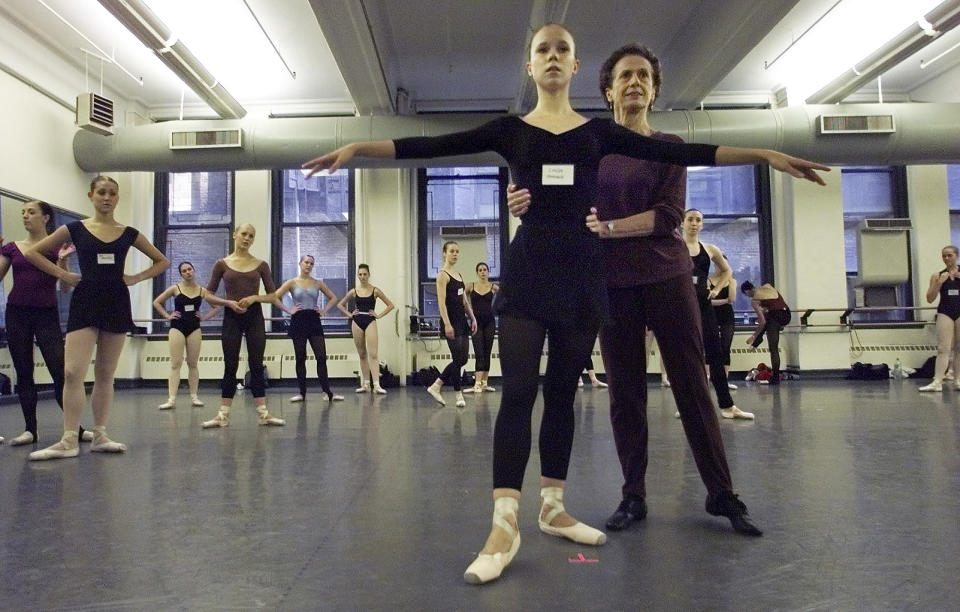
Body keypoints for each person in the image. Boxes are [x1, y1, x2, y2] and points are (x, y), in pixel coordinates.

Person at [304, 24, 826, 585]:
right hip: (531, 271)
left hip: (583, 274)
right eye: (542, 50)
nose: (552, 57)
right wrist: (360, 147)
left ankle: (552, 507)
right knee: (520, 389)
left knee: (560, 393)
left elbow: (692, 150)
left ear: (576, 67)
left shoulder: (598, 135)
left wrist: (766, 153)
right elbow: (430, 144)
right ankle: (504, 523)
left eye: (563, 50)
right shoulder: (511, 130)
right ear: (529, 66)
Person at [507, 42, 810, 538]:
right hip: (612, 285)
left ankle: (721, 493)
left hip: (666, 277)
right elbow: (546, 189)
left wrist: (606, 228)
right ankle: (633, 496)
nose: (635, 83)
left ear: (653, 90)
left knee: (693, 383)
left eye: (644, 76)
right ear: (608, 91)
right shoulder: (590, 146)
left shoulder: (666, 146)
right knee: (625, 393)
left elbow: (667, 218)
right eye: (625, 76)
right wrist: (518, 196)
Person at [25, 176, 169, 460]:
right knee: (72, 372)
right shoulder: (75, 229)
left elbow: (161, 261)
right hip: (85, 301)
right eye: (101, 192)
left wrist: (136, 278)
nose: (107, 197)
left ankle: (100, 433)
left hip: (116, 301)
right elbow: (33, 252)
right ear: (91, 196)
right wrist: (63, 274)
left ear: (117, 198)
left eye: (112, 193)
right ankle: (69, 438)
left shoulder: (128, 233)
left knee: (105, 373)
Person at [0, 200, 94, 447]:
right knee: (24, 371)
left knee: (59, 371)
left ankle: (75, 429)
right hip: (17, 314)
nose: (25, 216)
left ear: (45, 218)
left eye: (31, 212)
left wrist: (63, 262)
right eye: (23, 212)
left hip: (46, 315)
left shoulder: (56, 247)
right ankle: (30, 430)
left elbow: (65, 286)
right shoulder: (12, 248)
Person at [201, 223, 285, 428]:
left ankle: (263, 414)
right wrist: (227, 303)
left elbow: (273, 295)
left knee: (256, 364)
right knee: (231, 365)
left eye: (251, 236)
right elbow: (207, 294)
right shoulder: (222, 264)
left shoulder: (261, 265)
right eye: (244, 234)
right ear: (235, 235)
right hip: (232, 316)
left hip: (254, 316)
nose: (247, 238)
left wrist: (255, 297)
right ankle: (223, 415)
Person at [681, 209, 753, 419]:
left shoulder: (709, 248)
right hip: (683, 306)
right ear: (682, 223)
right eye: (690, 220)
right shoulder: (675, 247)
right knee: (687, 355)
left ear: (702, 224)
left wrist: (714, 288)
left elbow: (727, 271)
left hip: (703, 304)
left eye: (698, 220)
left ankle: (727, 405)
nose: (694, 224)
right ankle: (688, 404)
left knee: (715, 353)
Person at [152, 262, 237, 410]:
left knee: (193, 363)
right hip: (177, 328)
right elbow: (157, 302)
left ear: (194, 270)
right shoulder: (175, 289)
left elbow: (216, 307)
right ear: (181, 274)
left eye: (189, 269)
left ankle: (194, 396)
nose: (187, 272)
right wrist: (167, 316)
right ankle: (171, 399)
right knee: (176, 363)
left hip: (194, 328)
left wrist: (204, 317)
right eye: (184, 271)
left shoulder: (202, 290)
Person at [274, 254, 344, 402]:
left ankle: (327, 392)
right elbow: (275, 297)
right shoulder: (291, 282)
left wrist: (324, 311)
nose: (308, 265)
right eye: (306, 262)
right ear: (300, 263)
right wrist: (289, 310)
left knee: (321, 357)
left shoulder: (317, 283)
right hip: (298, 321)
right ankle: (302, 393)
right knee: (300, 358)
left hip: (313, 320)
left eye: (311, 263)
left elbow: (334, 298)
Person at [426, 241, 478, 407]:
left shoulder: (459, 275)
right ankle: (458, 394)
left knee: (462, 359)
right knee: (457, 358)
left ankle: (436, 385)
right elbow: (441, 303)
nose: (455, 254)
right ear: (444, 253)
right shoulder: (442, 275)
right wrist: (447, 324)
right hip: (451, 321)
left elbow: (464, 301)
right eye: (451, 251)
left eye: (457, 251)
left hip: (462, 321)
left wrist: (473, 318)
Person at [337, 264, 395, 394]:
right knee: (362, 354)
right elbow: (340, 305)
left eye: (365, 274)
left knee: (373, 354)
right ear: (358, 275)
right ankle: (366, 384)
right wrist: (350, 314)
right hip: (357, 322)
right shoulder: (354, 291)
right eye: (360, 274)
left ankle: (377, 384)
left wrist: (378, 315)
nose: (362, 277)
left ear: (369, 275)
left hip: (370, 321)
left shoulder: (375, 291)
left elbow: (390, 305)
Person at [919, 245, 960, 391]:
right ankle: (937, 381)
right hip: (945, 311)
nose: (947, 258)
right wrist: (939, 283)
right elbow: (930, 298)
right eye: (944, 256)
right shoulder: (937, 275)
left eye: (950, 255)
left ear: (956, 256)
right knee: (943, 348)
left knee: (959, 348)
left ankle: (957, 379)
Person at [741, 280, 792, 385]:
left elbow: (762, 322)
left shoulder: (755, 300)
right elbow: (771, 304)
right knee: (769, 319)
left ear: (747, 291)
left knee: (773, 348)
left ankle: (775, 378)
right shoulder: (767, 287)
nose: (749, 297)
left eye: (747, 295)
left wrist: (754, 335)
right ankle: (756, 341)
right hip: (786, 313)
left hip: (775, 316)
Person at [464, 262, 498, 394]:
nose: (483, 272)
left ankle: (484, 383)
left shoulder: (493, 287)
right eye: (480, 270)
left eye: (485, 270)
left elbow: (506, 297)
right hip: (475, 323)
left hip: (490, 322)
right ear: (477, 273)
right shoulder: (471, 286)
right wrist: (468, 308)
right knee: (479, 352)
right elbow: (460, 296)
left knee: (487, 351)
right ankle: (476, 383)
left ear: (488, 272)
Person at [712, 256, 738, 389]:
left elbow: (732, 299)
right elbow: (708, 301)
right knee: (711, 346)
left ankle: (724, 379)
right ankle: (708, 377)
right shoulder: (709, 280)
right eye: (718, 264)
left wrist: (729, 280)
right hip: (711, 315)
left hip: (727, 316)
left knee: (725, 346)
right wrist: (723, 301)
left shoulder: (732, 281)